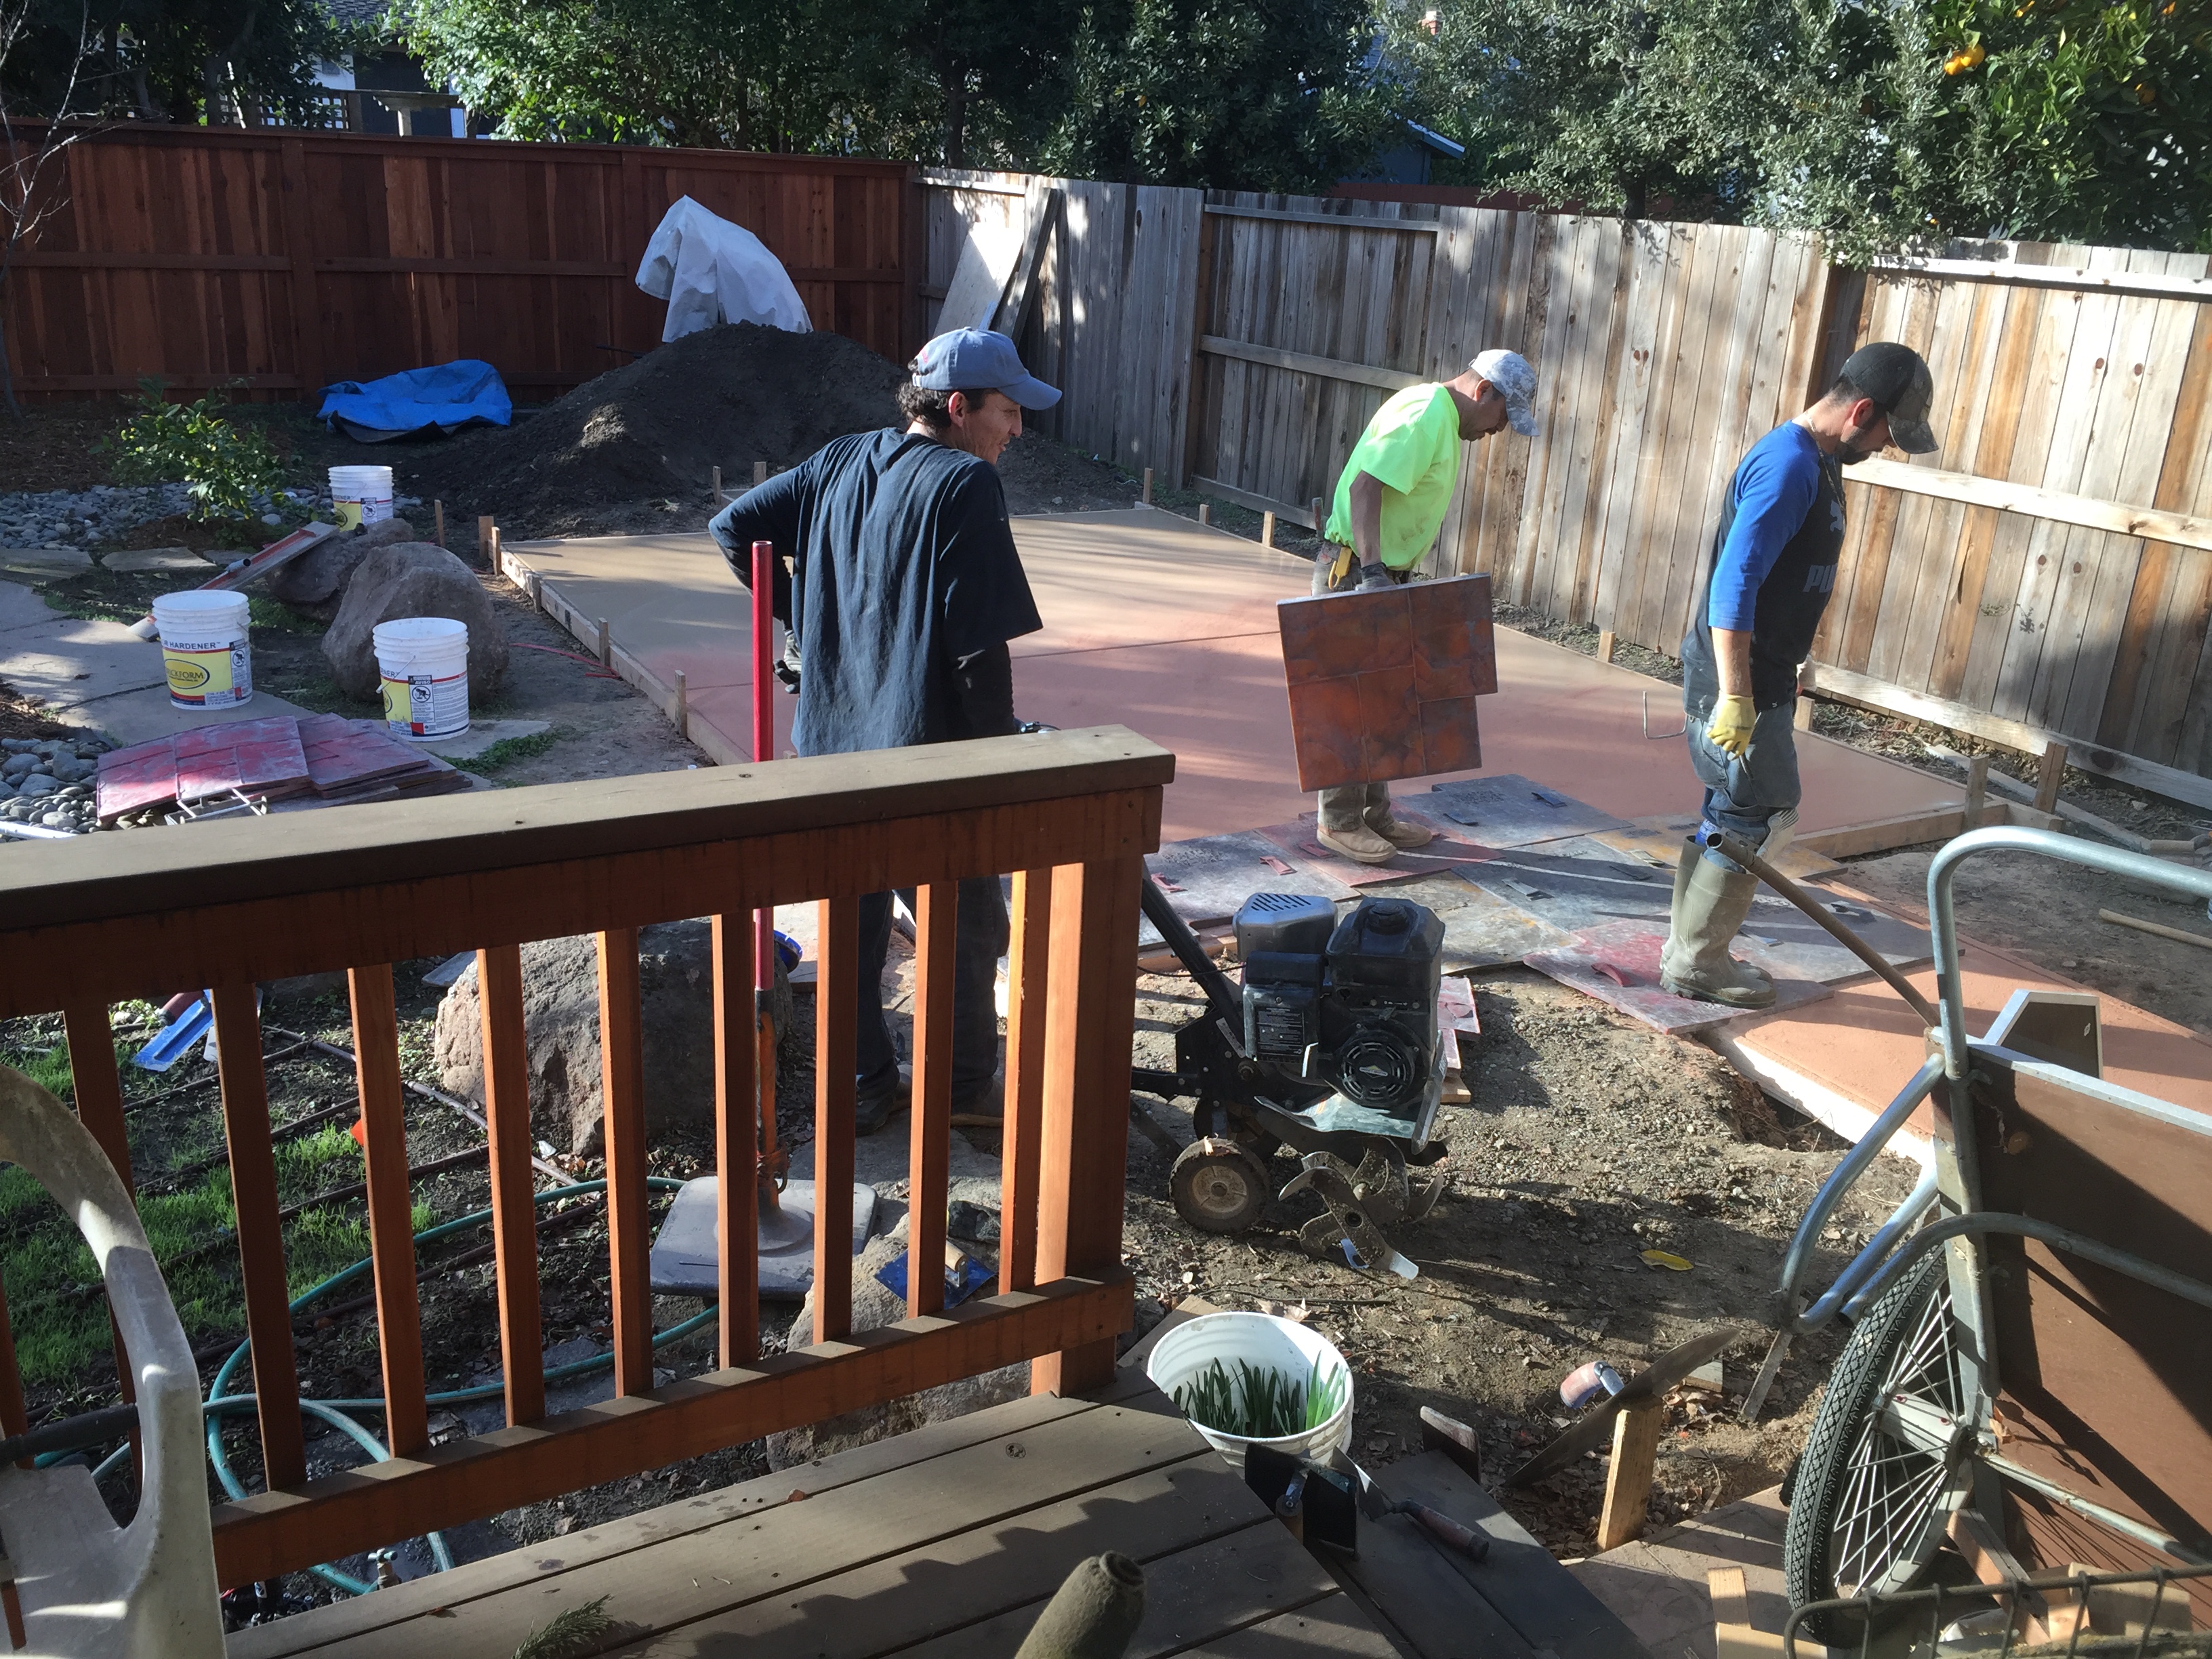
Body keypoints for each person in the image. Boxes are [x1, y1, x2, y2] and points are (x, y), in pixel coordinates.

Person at [707, 327, 1059, 1133]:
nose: (1016, 429)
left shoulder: (840, 459)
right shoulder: (965, 484)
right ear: (959, 407)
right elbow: (977, 651)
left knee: (855, 924)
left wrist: (803, 625)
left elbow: (734, 528)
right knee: (966, 924)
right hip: (921, 763)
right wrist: (998, 763)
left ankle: (864, 1085)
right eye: (1008, 412)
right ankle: (962, 1088)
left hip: (830, 749)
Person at [1662, 341, 1940, 1006]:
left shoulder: (1822, 461)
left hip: (1765, 669)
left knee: (1732, 811)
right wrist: (1737, 696)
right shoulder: (1789, 467)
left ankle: (1689, 952)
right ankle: (1697, 964)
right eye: (1888, 433)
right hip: (1739, 680)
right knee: (1759, 813)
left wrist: (1793, 655)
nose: (1887, 446)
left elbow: (1788, 578)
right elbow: (1734, 586)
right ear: (1861, 411)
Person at [1312, 348, 1539, 864]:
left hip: (1379, 573)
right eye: (1502, 416)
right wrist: (1373, 572)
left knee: (1385, 701)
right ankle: (1339, 821)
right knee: (1351, 702)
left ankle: (1374, 814)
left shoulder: (1438, 418)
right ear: (1483, 391)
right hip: (1356, 572)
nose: (1498, 431)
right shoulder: (1424, 416)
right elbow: (1366, 486)